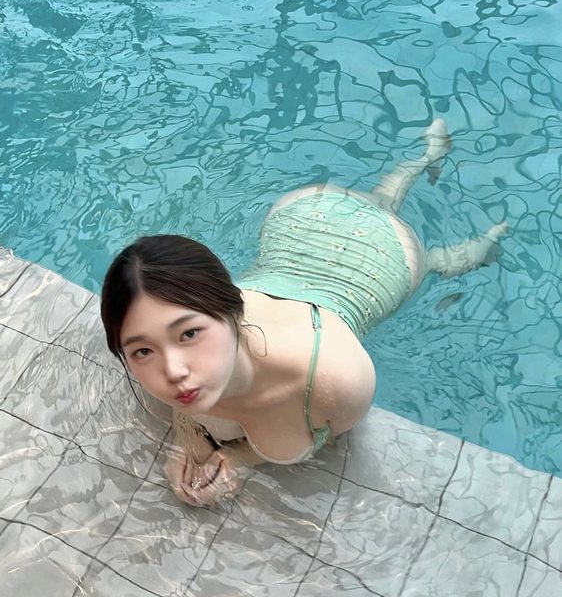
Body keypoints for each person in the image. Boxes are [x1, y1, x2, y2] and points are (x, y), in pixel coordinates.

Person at [100, 119, 507, 507]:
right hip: (298, 217)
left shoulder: (337, 380)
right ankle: (428, 152)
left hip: (379, 260)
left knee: (425, 254)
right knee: (386, 193)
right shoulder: (170, 332)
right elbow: (183, 371)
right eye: (143, 351)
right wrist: (187, 441)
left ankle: (454, 242)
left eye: (189, 334)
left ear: (234, 309)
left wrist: (242, 458)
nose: (173, 371)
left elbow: (328, 435)